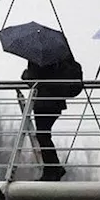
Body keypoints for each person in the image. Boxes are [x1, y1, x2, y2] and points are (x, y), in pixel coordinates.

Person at [22, 54, 83, 182]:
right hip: (54, 101)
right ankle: (52, 169)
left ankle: (52, 169)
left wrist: (26, 75)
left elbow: (35, 79)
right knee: (43, 135)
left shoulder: (39, 55)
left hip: (44, 101)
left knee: (42, 135)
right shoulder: (59, 53)